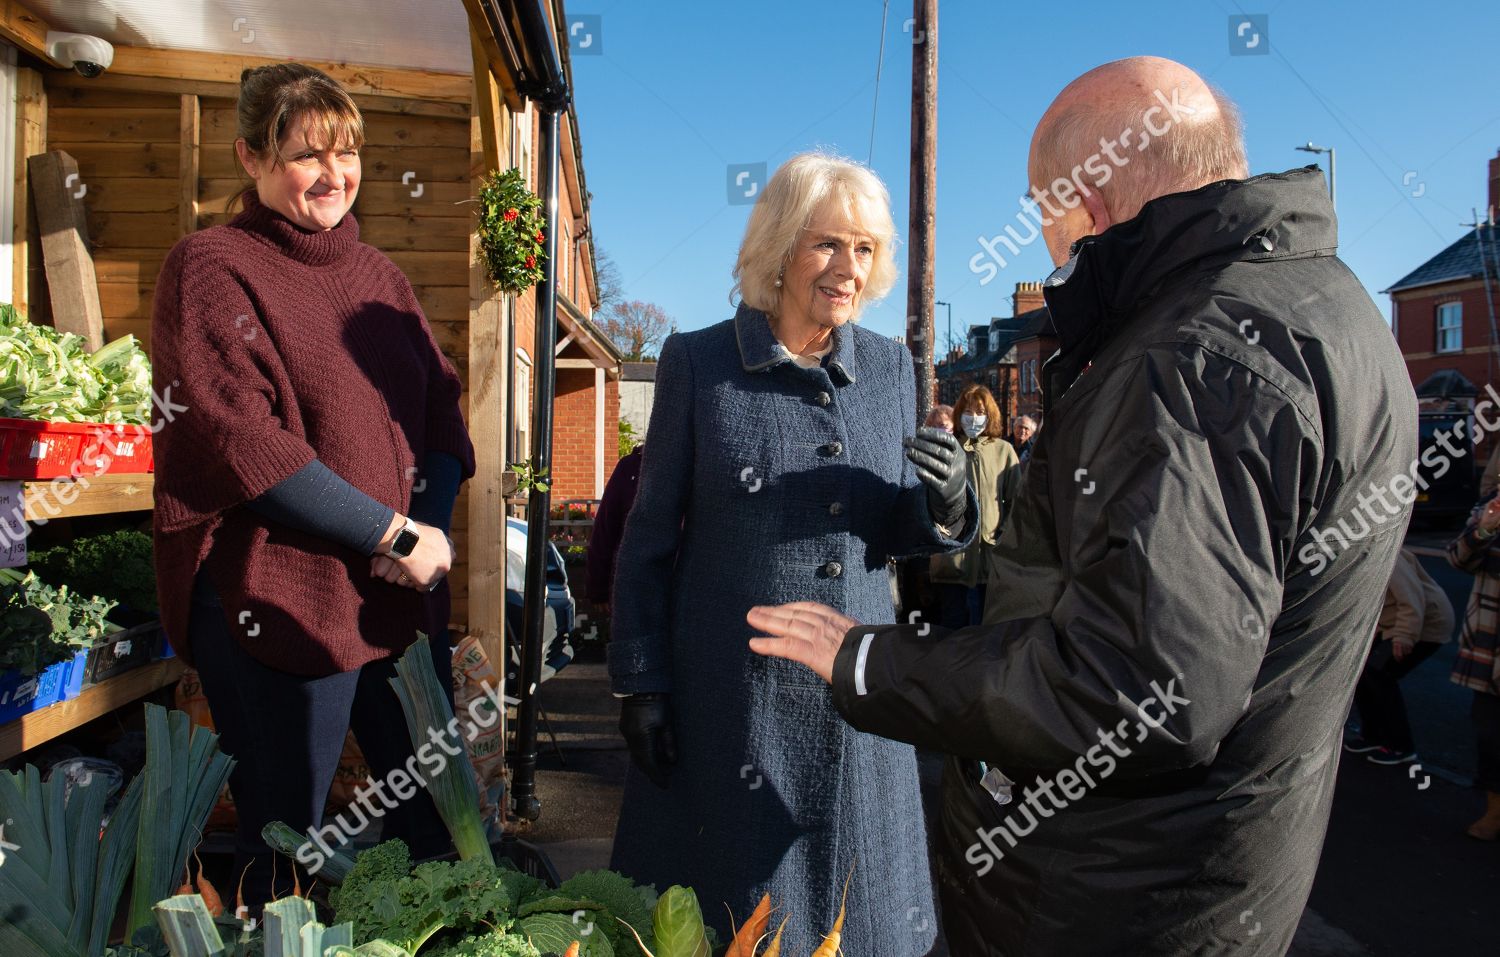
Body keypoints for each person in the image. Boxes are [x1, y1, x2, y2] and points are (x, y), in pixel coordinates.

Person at [745, 56, 1416, 955]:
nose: (1050, 246)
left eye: (1045, 210)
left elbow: (1136, 689)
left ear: (1088, 205)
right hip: (1215, 879)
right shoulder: (1333, 309)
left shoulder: (1188, 360)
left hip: (1099, 898)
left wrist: (871, 663)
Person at [606, 151, 975, 956]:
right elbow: (648, 537)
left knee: (864, 920)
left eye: (866, 249)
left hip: (861, 701)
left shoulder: (888, 366)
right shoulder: (698, 363)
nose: (848, 270)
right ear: (779, 247)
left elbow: (894, 526)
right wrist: (642, 681)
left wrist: (947, 507)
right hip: (730, 707)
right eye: (827, 245)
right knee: (728, 923)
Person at [150, 64, 475, 907]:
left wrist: (426, 535)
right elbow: (244, 443)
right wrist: (394, 533)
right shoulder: (213, 268)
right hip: (278, 606)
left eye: (349, 152)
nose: (335, 175)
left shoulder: (381, 279)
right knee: (288, 849)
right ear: (250, 158)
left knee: (436, 832)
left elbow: (445, 417)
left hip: (397, 605)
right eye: (306, 156)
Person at [1344, 549, 1453, 765]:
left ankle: (1400, 746)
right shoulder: (1353, 549)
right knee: (1362, 671)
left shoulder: (1385, 550)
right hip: (1390, 623)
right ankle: (1373, 736)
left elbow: (1412, 597)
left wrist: (1404, 635)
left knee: (1380, 674)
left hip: (1426, 624)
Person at [929, 384, 1020, 628]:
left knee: (988, 629)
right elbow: (929, 498)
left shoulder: (1004, 452)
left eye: (980, 412)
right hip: (952, 560)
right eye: (968, 412)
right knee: (951, 630)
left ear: (990, 415)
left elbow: (1017, 502)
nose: (974, 418)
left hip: (990, 560)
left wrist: (1004, 535)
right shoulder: (946, 449)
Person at [1446, 491, 1500, 840]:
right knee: (1489, 733)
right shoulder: (1492, 505)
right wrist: (1483, 531)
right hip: (1490, 638)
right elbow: (1457, 558)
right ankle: (1494, 811)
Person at [585, 444, 644, 618]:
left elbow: (605, 529)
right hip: (633, 589)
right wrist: (598, 588)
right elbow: (605, 529)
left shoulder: (631, 467)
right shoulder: (631, 467)